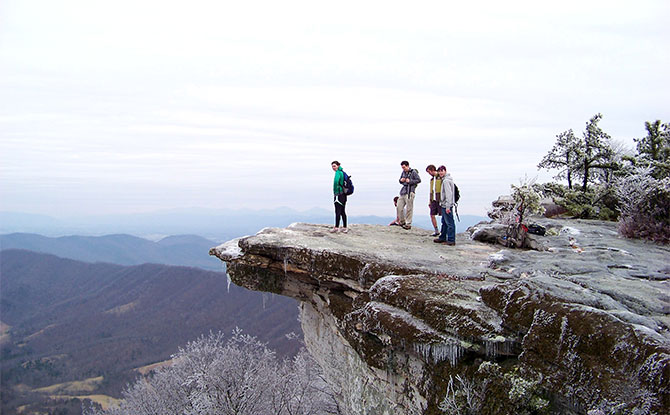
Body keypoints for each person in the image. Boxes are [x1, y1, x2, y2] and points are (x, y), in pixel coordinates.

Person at [434, 165, 456, 245]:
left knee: (449, 222)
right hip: (445, 204)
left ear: (445, 171)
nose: (440, 173)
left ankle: (451, 240)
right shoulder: (447, 180)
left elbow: (448, 194)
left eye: (442, 171)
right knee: (444, 222)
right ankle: (442, 237)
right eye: (439, 171)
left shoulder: (446, 181)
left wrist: (447, 206)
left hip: (446, 205)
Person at [397, 161, 421, 230]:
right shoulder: (403, 173)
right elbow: (400, 181)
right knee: (399, 206)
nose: (403, 169)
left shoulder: (413, 172)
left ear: (407, 166)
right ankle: (402, 221)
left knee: (409, 208)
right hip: (403, 191)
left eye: (404, 167)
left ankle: (408, 223)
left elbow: (418, 180)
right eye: (402, 167)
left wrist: (410, 181)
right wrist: (401, 180)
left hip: (410, 191)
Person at [331, 161, 348, 233]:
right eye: (332, 166)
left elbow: (336, 182)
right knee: (342, 211)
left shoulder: (338, 173)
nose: (333, 167)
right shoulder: (342, 172)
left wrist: (335, 192)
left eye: (334, 166)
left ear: (338, 166)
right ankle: (344, 227)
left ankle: (336, 227)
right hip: (343, 194)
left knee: (337, 211)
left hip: (338, 194)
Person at [426, 164, 442, 236]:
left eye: (429, 172)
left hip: (440, 199)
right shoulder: (432, 180)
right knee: (432, 215)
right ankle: (436, 230)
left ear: (432, 170)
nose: (429, 174)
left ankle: (444, 231)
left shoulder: (440, 178)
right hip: (433, 200)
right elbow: (431, 190)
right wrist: (430, 201)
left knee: (443, 215)